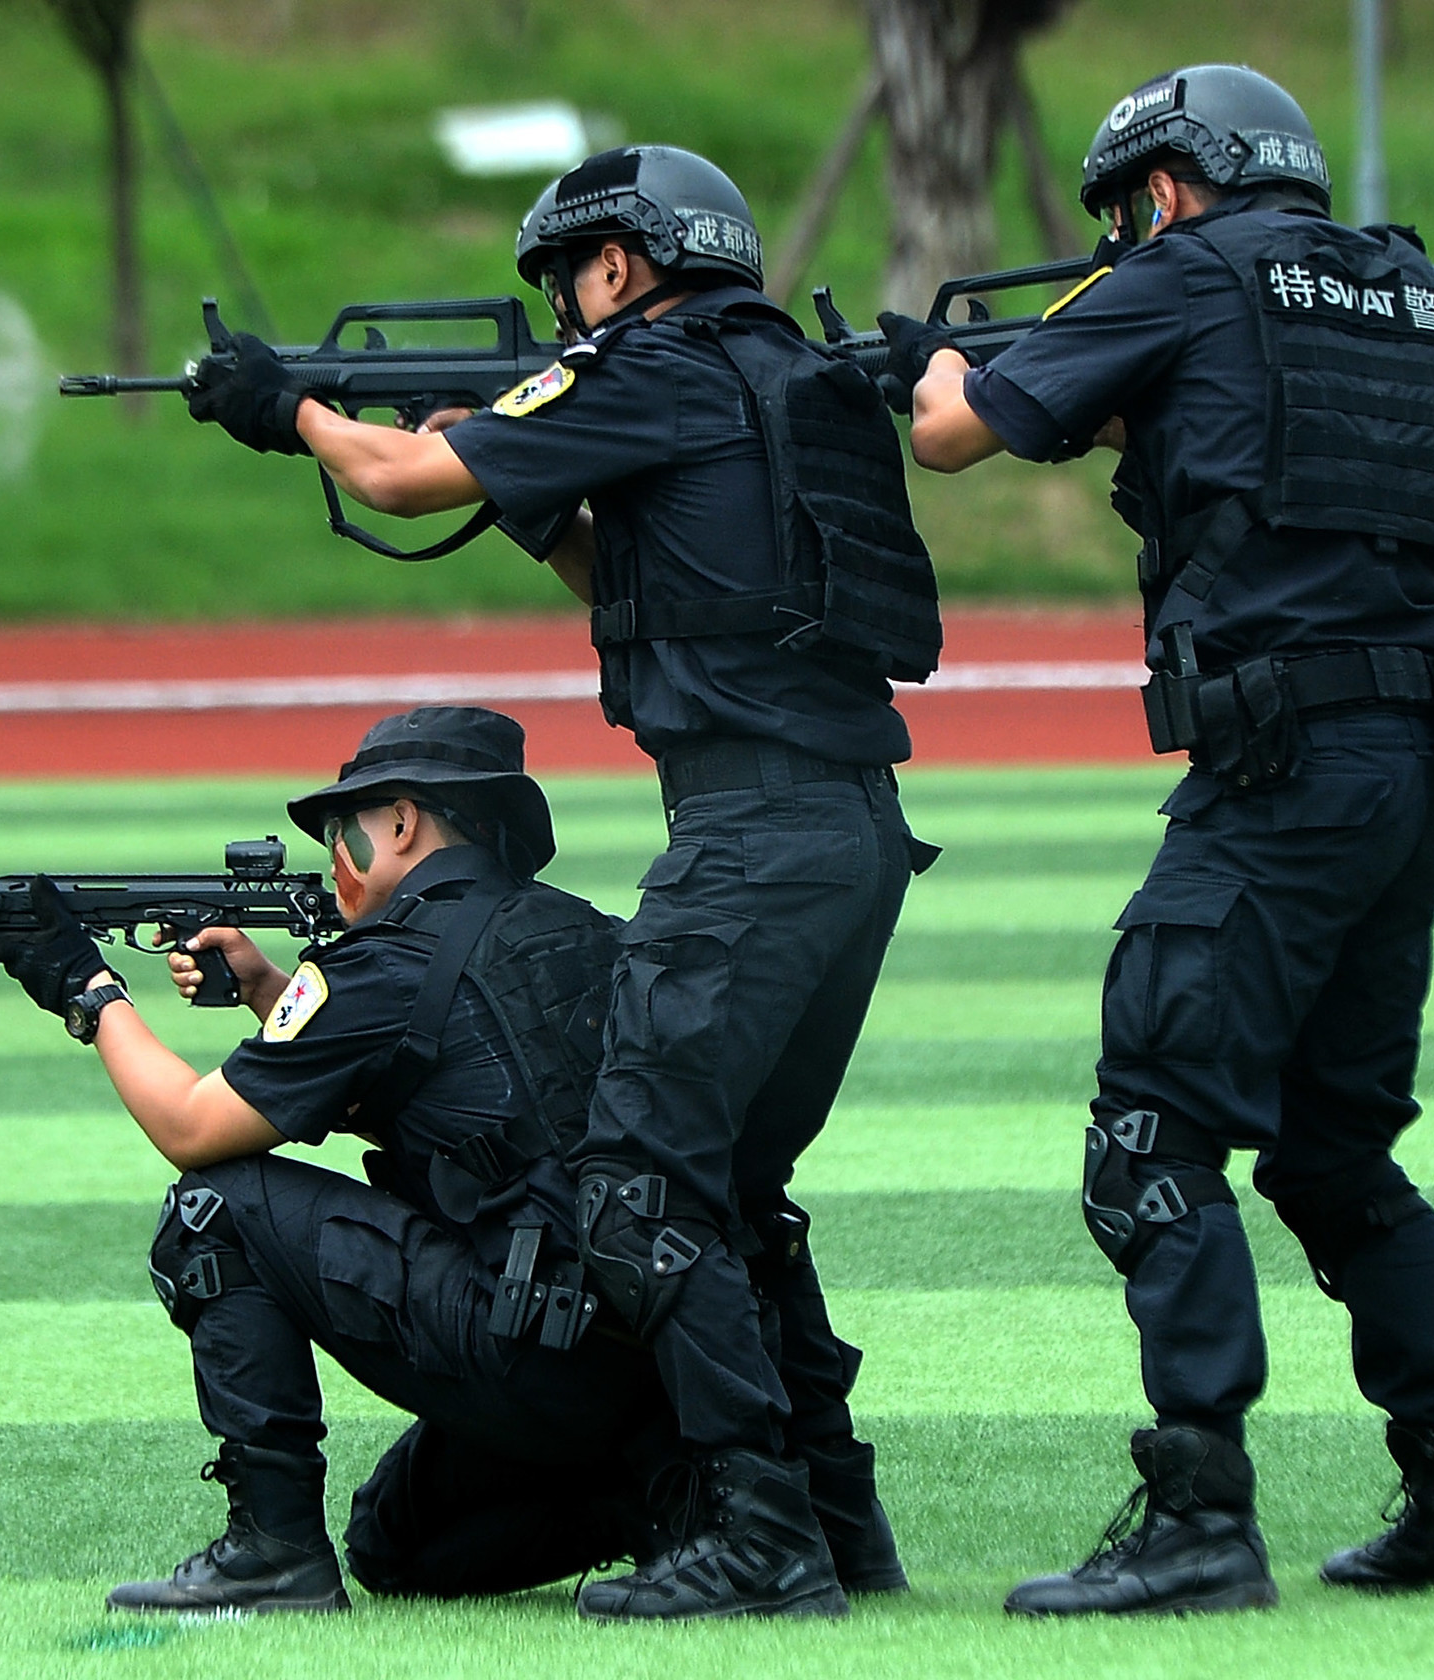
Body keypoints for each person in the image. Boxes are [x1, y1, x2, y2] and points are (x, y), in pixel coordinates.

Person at [184, 145, 938, 1621]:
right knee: (732, 1186)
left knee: (641, 1180)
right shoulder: (787, 387)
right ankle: (833, 1521)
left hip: (745, 833)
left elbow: (399, 482)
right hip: (850, 832)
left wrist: (292, 411)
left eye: (572, 273)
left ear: (626, 261)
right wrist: (535, 488)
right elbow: (657, 595)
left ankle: (758, 1532)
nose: (567, 308)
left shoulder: (654, 364)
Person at [883, 65, 1434, 1615]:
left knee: (1153, 1131)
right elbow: (1259, 454)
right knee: (1337, 1152)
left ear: (1169, 189)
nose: (1123, 235)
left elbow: (957, 435)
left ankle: (1198, 1518)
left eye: (1130, 208)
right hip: (1421, 757)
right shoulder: (1411, 294)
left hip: (1285, 768)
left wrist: (936, 364)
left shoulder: (1186, 269)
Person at [0, 706, 675, 1614]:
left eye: (346, 829)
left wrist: (89, 990)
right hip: (640, 1358)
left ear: (405, 823)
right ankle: (660, 1507)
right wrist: (271, 991)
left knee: (215, 1206)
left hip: (528, 1344)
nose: (336, 851)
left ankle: (271, 1555)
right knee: (398, 1546)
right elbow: (468, 1103)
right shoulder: (581, 933)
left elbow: (188, 1126)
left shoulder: (383, 966)